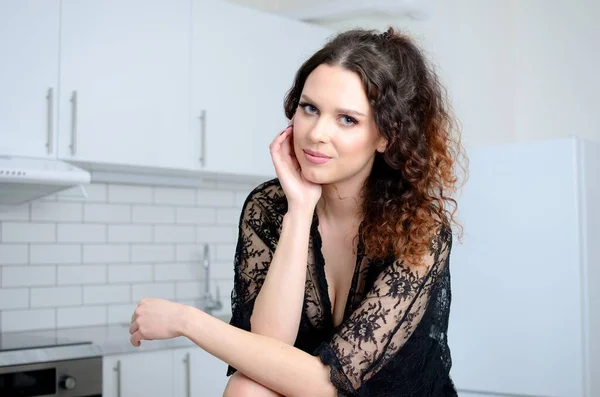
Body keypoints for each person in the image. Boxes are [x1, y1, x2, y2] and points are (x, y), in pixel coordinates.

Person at [129, 26, 467, 397]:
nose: (317, 132)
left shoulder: (418, 229)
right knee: (247, 387)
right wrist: (301, 208)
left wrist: (186, 319)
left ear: (386, 136)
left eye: (347, 119)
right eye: (310, 109)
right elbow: (266, 347)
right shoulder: (270, 206)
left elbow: (329, 385)